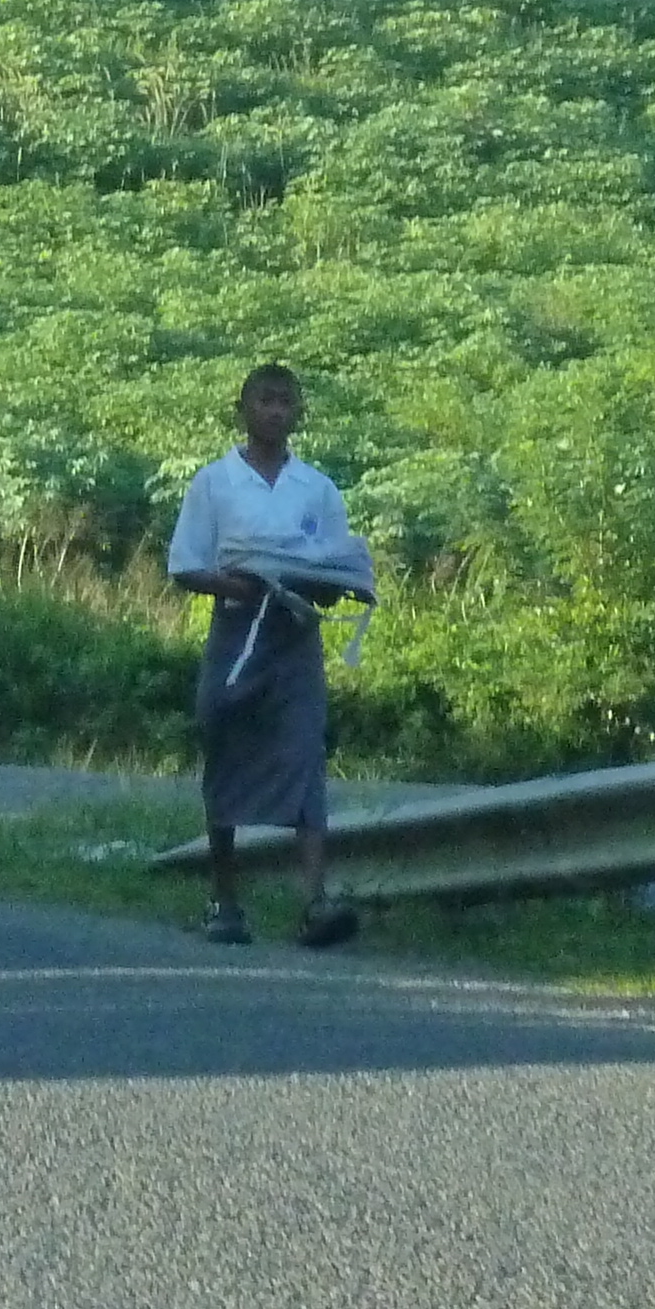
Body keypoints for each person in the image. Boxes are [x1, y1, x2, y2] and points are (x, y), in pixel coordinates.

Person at [166, 363, 370, 949]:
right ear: (244, 409)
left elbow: (332, 570)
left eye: (286, 402)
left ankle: (315, 902)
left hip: (295, 637)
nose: (276, 412)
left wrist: (319, 585)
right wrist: (243, 586)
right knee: (225, 747)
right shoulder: (214, 483)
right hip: (237, 634)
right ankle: (225, 902)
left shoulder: (319, 490)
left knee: (304, 755)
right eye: (265, 401)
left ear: (298, 413)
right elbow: (186, 566)